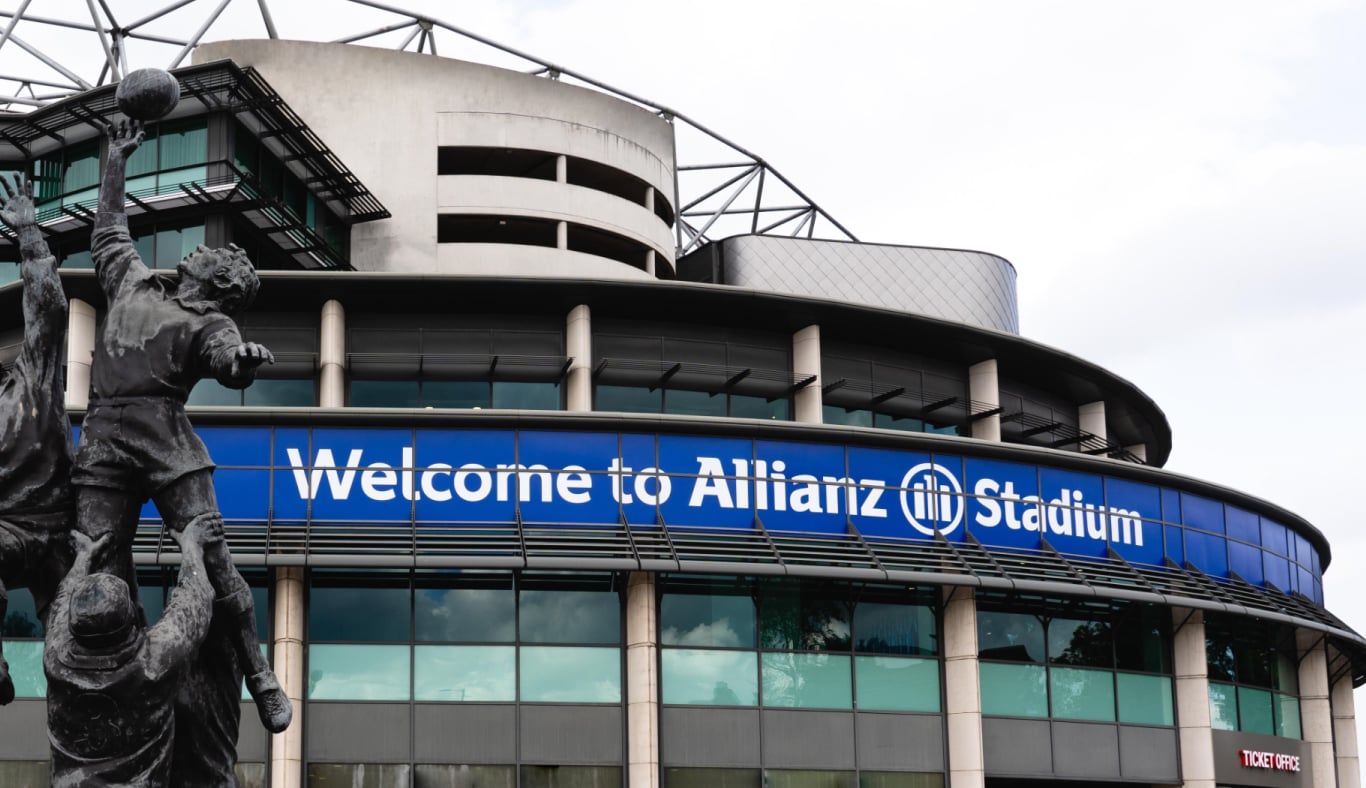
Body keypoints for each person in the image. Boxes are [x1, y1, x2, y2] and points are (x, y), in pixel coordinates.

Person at [71, 118, 291, 735]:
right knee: (91, 562)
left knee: (215, 556)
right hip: (103, 442)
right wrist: (115, 159)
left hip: (167, 445)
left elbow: (227, 362)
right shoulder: (133, 283)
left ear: (218, 282)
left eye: (211, 254)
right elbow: (109, 232)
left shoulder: (210, 324)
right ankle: (114, 678)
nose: (198, 248)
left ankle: (260, 671)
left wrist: (242, 364)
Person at [45, 522, 213, 786]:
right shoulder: (153, 662)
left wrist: (83, 557)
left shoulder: (57, 660)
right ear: (132, 623)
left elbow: (62, 600)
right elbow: (195, 598)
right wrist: (192, 546)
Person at [0, 172, 76, 704]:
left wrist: (29, 235)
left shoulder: (28, 379)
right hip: (6, 538)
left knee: (81, 646)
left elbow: (48, 310)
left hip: (63, 534)